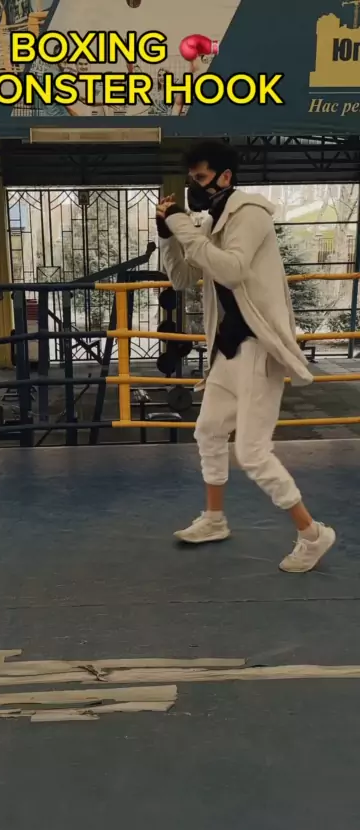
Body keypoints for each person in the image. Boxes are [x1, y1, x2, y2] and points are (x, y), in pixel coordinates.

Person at [156, 140, 336, 573]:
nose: (194, 188)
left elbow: (232, 269)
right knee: (208, 432)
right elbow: (183, 279)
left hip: (258, 345)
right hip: (228, 347)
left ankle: (313, 534)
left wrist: (180, 223)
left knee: (252, 452)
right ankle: (214, 519)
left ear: (225, 177)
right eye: (191, 180)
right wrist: (167, 236)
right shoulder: (209, 220)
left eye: (201, 179)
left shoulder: (251, 214)